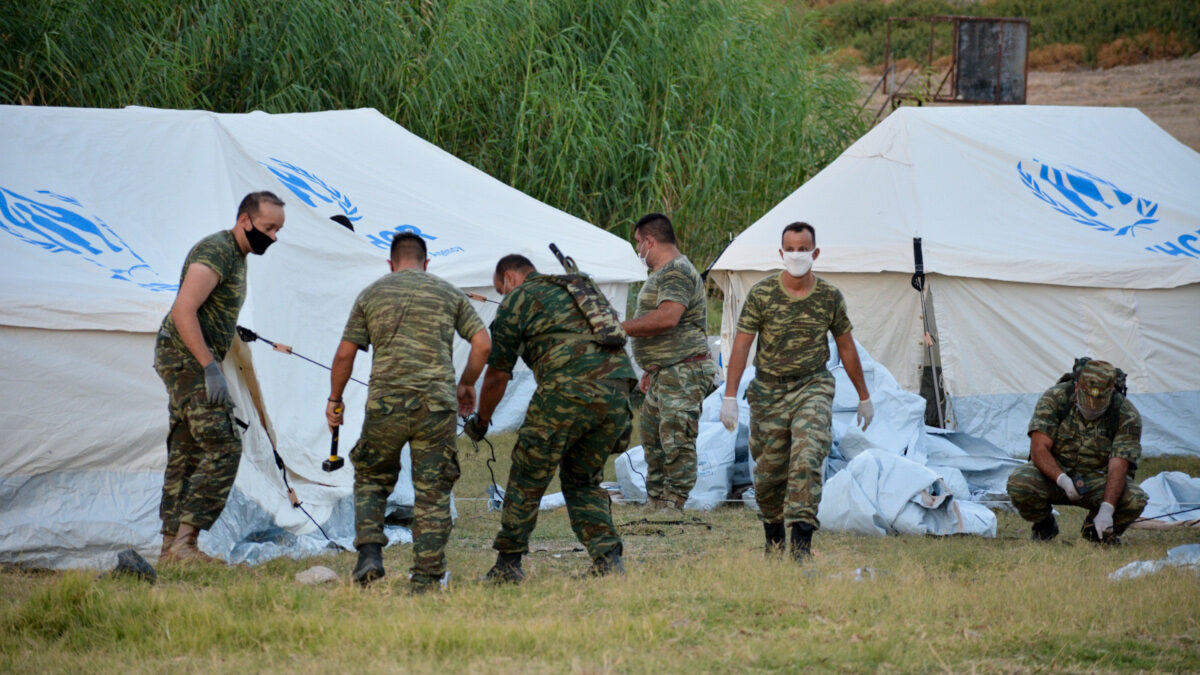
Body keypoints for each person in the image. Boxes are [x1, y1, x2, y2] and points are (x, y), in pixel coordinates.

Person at [326, 233, 490, 592]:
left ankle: (369, 552)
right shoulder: (447, 292)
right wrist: (466, 384)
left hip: (386, 404)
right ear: (426, 262)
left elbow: (343, 354)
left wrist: (334, 399)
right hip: (436, 407)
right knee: (432, 492)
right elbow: (482, 344)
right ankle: (427, 578)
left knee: (371, 477)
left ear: (391, 263)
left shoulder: (371, 294)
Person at [467, 254, 636, 583]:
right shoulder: (577, 287)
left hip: (567, 390)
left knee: (528, 476)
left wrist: (482, 420)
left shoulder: (519, 297)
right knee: (583, 480)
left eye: (502, 289)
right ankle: (608, 561)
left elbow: (498, 372)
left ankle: (508, 565)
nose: (504, 295)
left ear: (510, 279)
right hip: (617, 390)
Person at [720, 222, 873, 560]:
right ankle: (774, 540)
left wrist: (864, 396)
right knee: (770, 472)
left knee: (808, 455)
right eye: (791, 249)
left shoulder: (829, 296)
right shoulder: (762, 294)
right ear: (781, 253)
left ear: (815, 253)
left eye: (804, 249)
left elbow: (846, 347)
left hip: (812, 386)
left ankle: (801, 546)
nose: (797, 255)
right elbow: (742, 346)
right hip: (769, 392)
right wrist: (730, 395)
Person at [154, 191, 285, 563]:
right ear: (245, 220)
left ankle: (171, 548)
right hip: (186, 359)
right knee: (224, 445)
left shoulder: (238, 255)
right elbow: (184, 310)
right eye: (268, 227)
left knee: (185, 448)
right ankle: (185, 543)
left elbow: (208, 309)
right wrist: (209, 366)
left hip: (188, 358)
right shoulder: (217, 251)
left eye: (278, 230)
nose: (274, 237)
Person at [621, 213, 717, 512]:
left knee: (676, 438)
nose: (639, 250)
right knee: (653, 439)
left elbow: (668, 317)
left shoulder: (676, 271)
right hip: (665, 371)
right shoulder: (663, 273)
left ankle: (675, 501)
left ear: (650, 240)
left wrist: (619, 328)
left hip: (684, 369)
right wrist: (652, 367)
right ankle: (657, 497)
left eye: (639, 243)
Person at [1006, 359, 1147, 544]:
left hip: (1097, 479)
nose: (1091, 409)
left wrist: (1107, 509)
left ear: (1111, 392)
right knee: (1019, 482)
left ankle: (1095, 533)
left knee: (1135, 499)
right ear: (1076, 388)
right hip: (1055, 474)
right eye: (1086, 403)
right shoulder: (1055, 398)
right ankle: (1044, 524)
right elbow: (1039, 448)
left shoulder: (1126, 414)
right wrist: (1062, 479)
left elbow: (1118, 465)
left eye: (1098, 405)